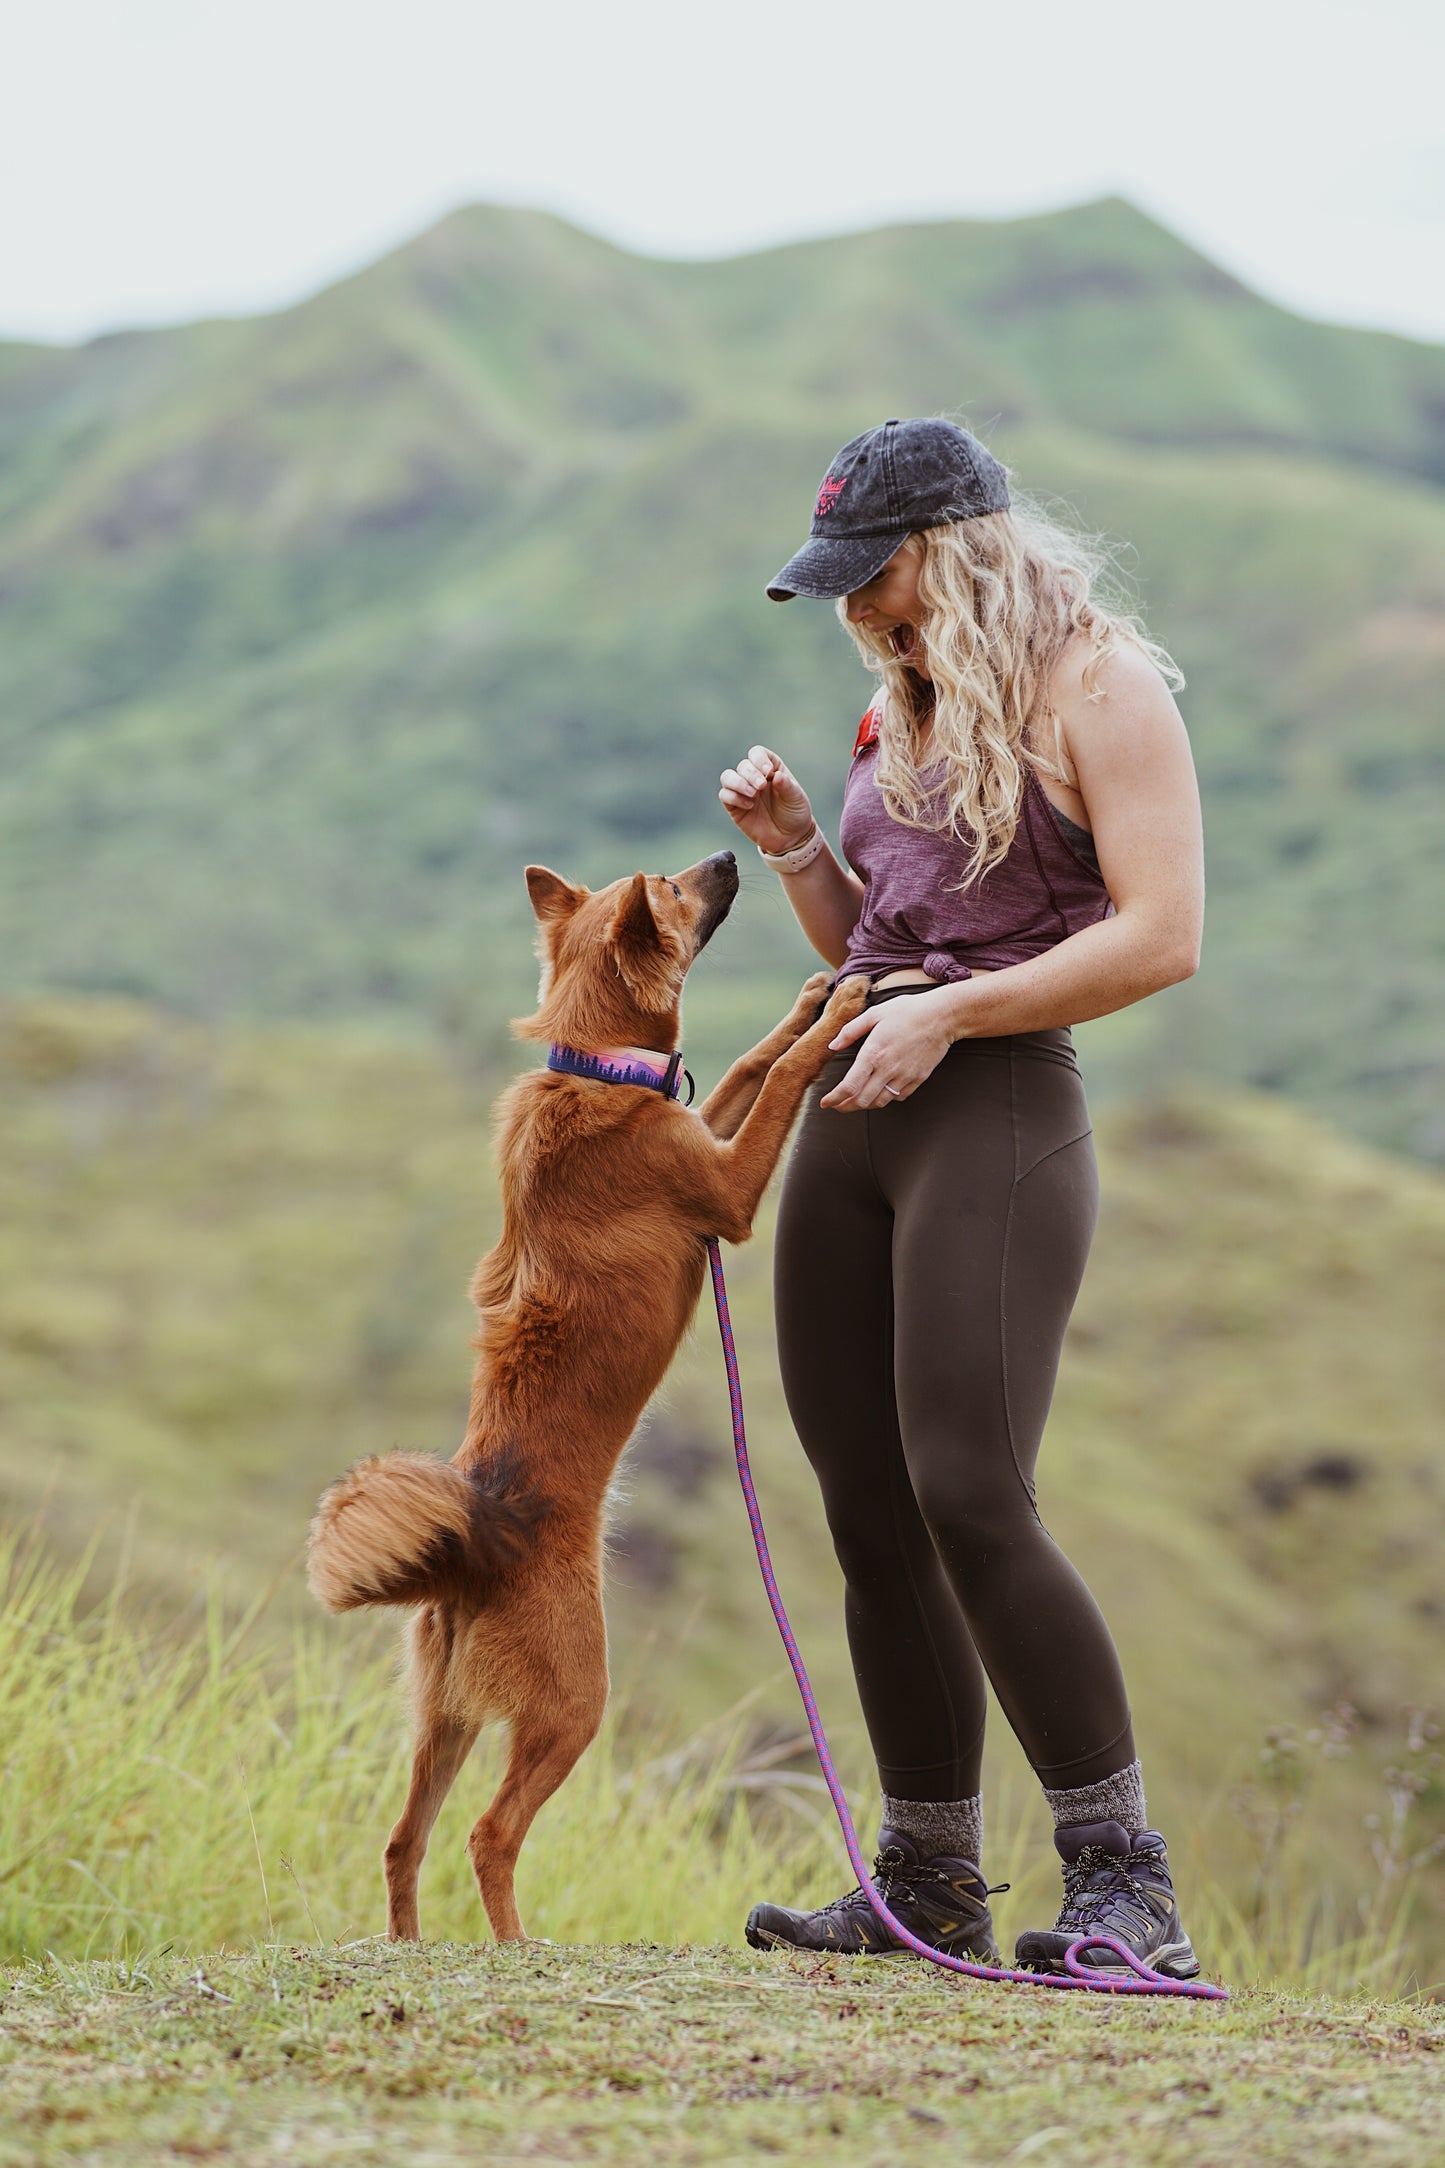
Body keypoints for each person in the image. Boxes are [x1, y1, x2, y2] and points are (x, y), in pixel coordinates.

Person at [717, 417, 1206, 1976]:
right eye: (845, 591)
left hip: (990, 1111)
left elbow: (1159, 934)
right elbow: (881, 935)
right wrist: (802, 856)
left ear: (965, 547)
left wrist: (945, 1013)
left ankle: (1127, 1888)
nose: (862, 612)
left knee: (972, 1493)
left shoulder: (1101, 687)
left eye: (882, 580)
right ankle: (923, 1877)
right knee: (867, 1507)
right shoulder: (905, 706)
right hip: (857, 1105)